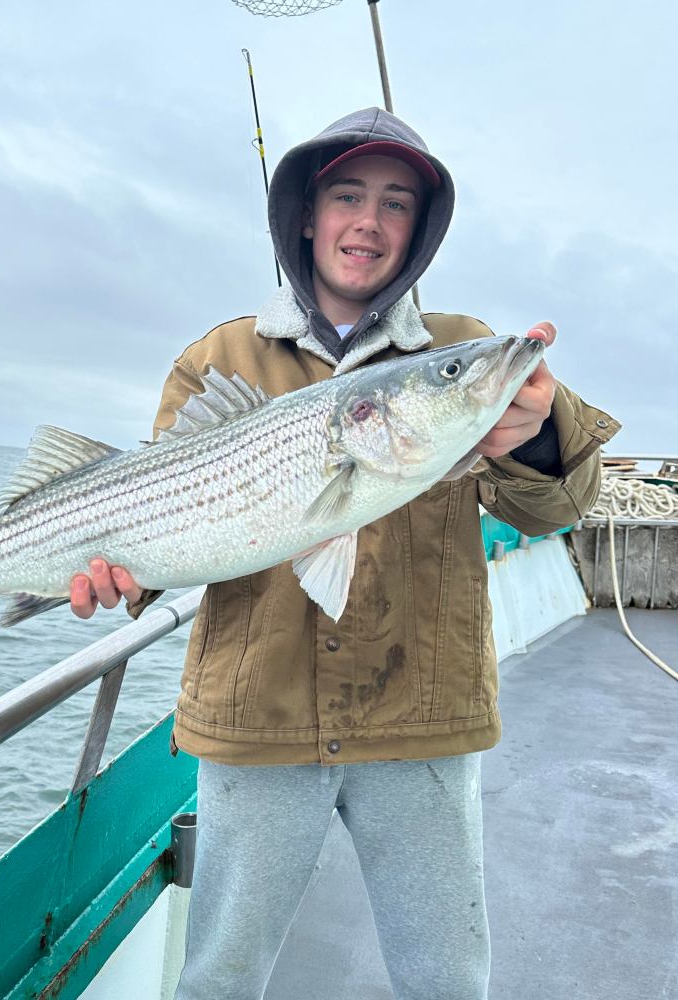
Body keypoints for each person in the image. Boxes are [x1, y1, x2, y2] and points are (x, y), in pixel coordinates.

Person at [68, 108, 619, 999]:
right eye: (346, 196)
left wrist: (539, 433)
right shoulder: (220, 354)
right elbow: (161, 526)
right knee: (219, 977)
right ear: (305, 216)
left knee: (446, 978)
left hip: (423, 717)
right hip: (258, 719)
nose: (368, 220)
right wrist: (122, 579)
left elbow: (553, 507)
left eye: (396, 202)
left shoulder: (458, 348)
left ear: (420, 230)